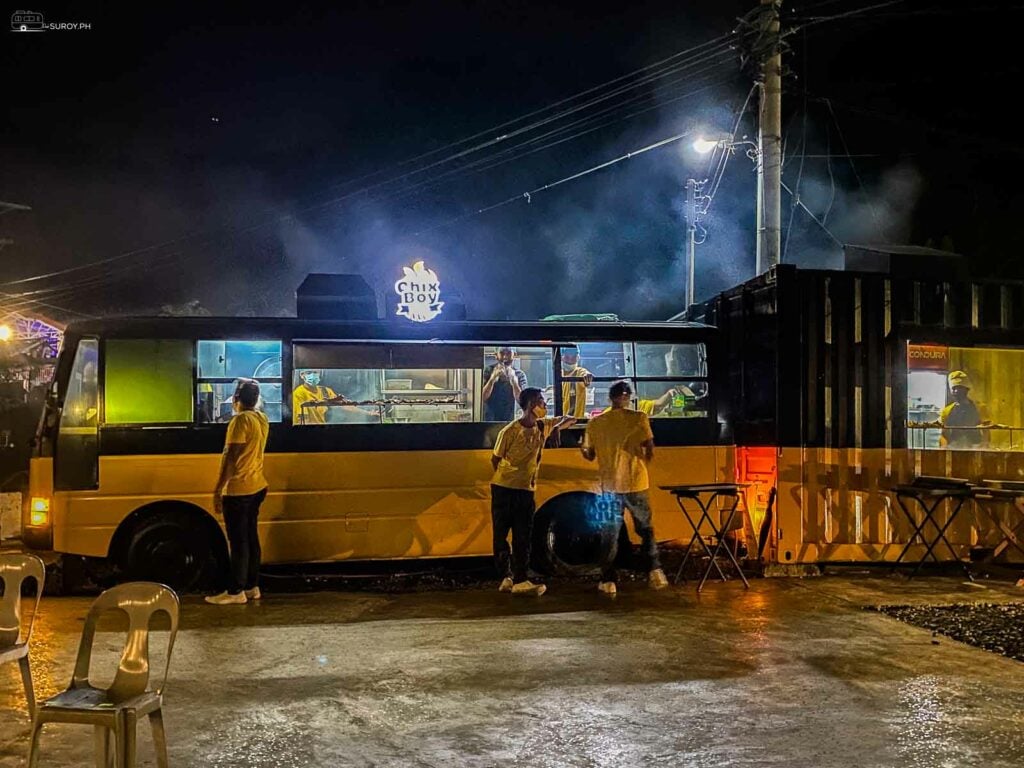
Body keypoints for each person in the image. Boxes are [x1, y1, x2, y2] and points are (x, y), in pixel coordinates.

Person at [580, 380, 669, 595]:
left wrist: (583, 449)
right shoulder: (639, 418)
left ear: (611, 397)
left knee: (609, 533)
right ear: (627, 396)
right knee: (645, 529)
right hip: (636, 482)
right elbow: (649, 448)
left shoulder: (595, 423)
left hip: (609, 486)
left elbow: (589, 454)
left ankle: (608, 580)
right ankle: (655, 570)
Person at [491, 387, 576, 595]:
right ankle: (507, 577)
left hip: (525, 490)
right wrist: (510, 478)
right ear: (530, 405)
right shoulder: (510, 431)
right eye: (541, 401)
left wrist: (556, 428)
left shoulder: (543, 426)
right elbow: (495, 459)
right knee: (501, 536)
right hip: (504, 489)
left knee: (522, 536)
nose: (544, 404)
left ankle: (519, 579)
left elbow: (570, 418)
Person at [207, 379, 270, 605]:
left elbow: (231, 459)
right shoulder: (261, 419)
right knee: (251, 538)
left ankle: (235, 591)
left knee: (238, 541)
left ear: (236, 399)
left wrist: (217, 489)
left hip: (239, 489)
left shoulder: (240, 421)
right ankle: (252, 586)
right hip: (257, 485)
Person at [939, 370, 985, 448]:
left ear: (967, 389)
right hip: (954, 448)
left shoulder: (980, 408)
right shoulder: (946, 411)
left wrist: (984, 446)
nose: (956, 391)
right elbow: (943, 434)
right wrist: (944, 449)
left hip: (975, 448)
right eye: (954, 388)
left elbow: (986, 430)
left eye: (960, 388)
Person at [483, 346, 527, 422]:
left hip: (510, 421)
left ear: (514, 355)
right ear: (496, 355)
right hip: (488, 420)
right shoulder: (487, 371)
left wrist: (514, 381)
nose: (505, 357)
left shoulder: (519, 374)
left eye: (509, 353)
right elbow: (482, 397)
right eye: (502, 353)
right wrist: (492, 379)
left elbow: (523, 402)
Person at [560, 346, 593, 418]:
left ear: (578, 358)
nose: (570, 361)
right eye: (567, 357)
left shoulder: (579, 372)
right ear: (562, 357)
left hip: (574, 421)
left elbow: (585, 375)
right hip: (561, 420)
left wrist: (587, 376)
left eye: (573, 358)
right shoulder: (559, 374)